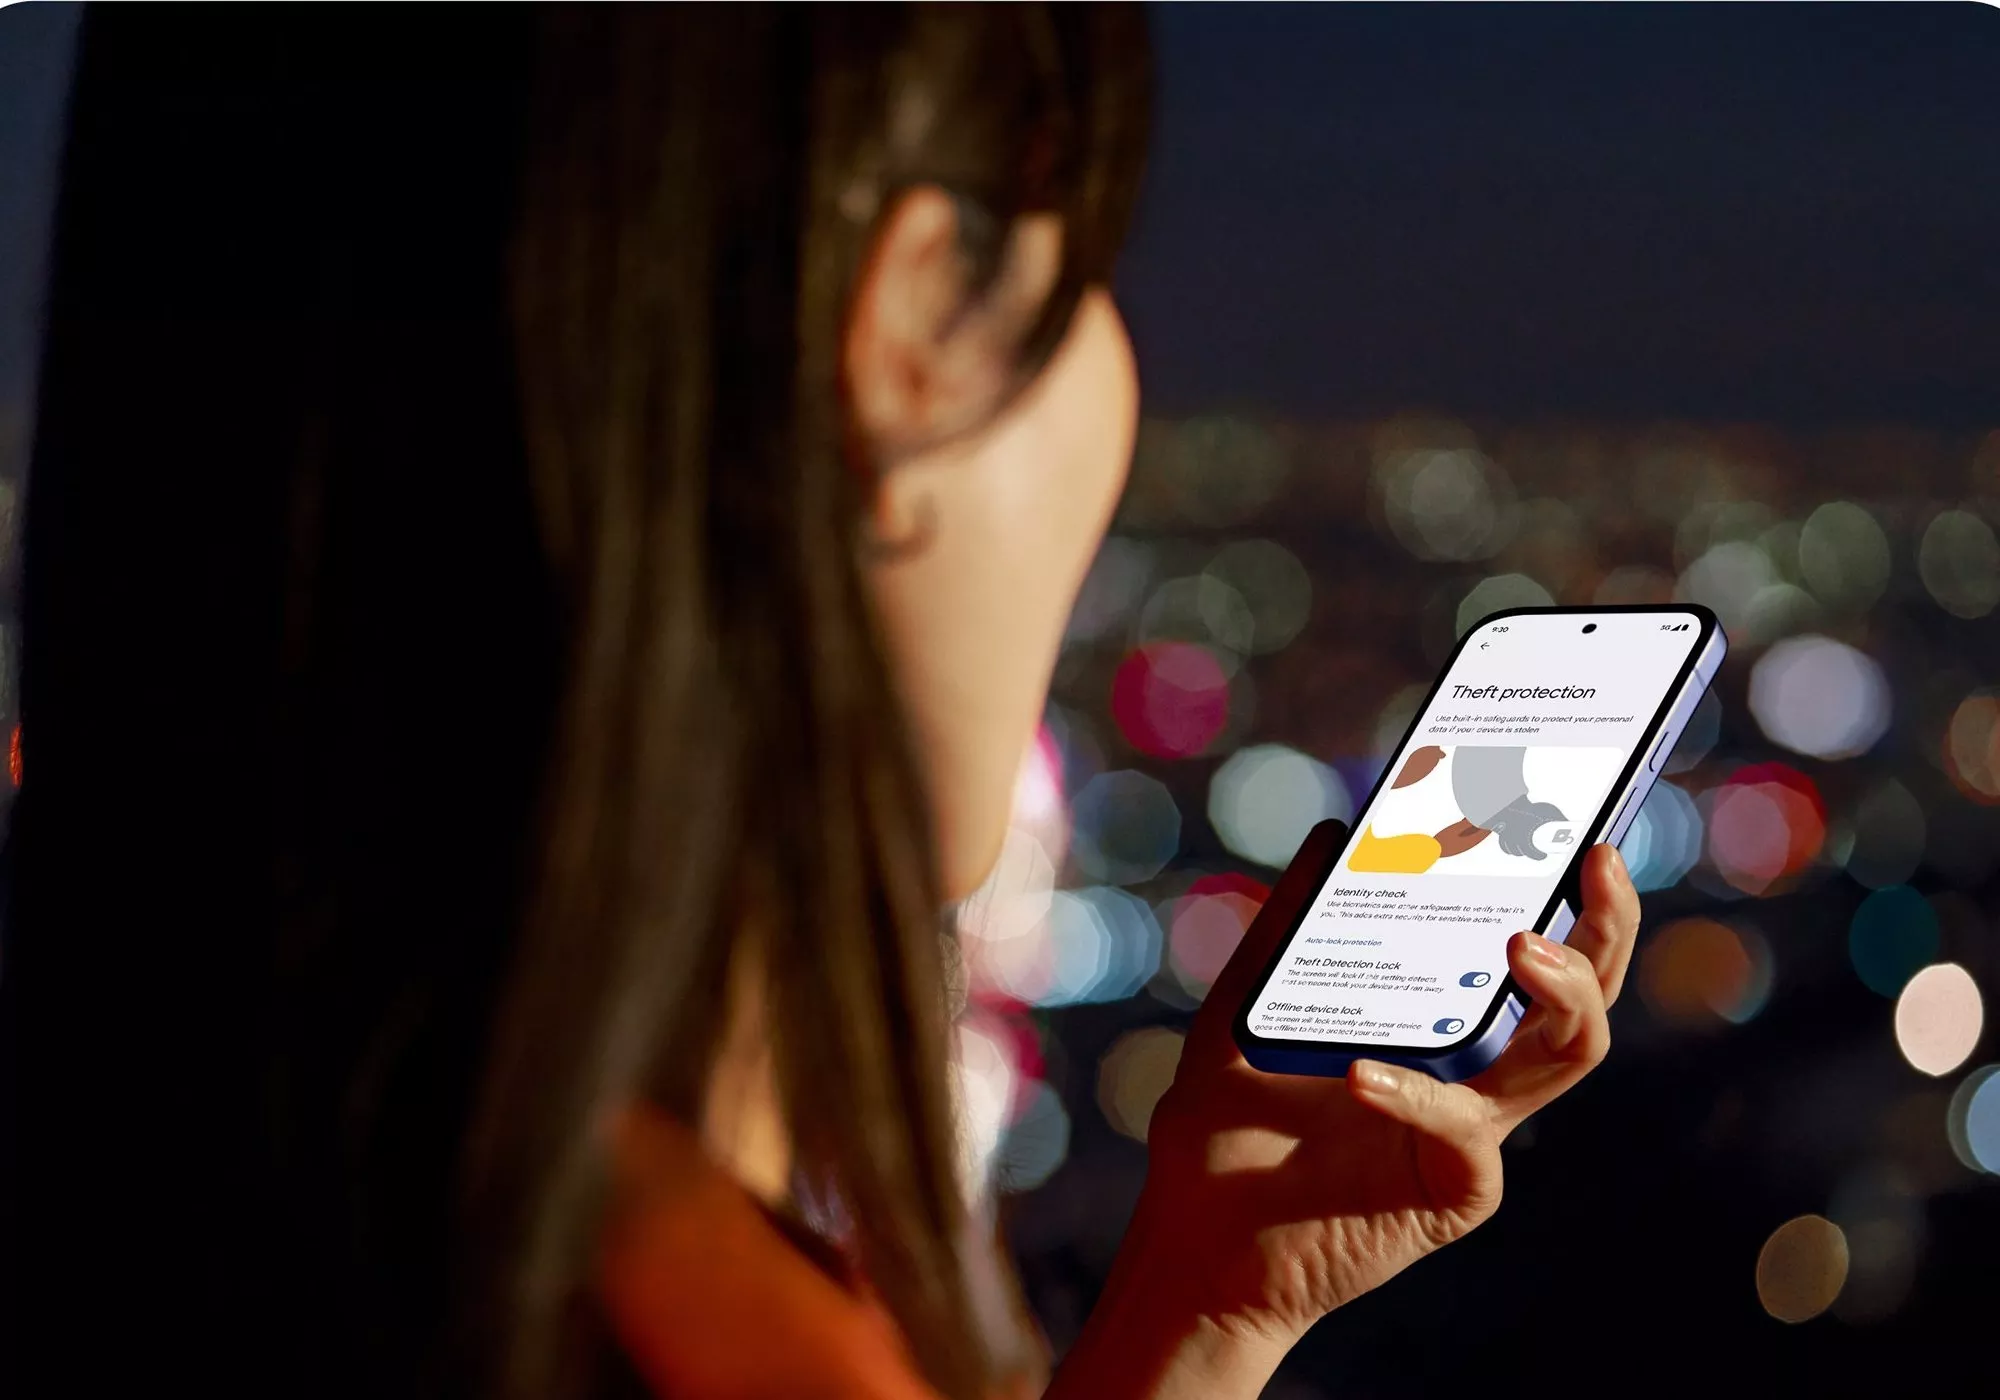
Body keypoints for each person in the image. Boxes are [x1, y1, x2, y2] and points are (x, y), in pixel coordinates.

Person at [1, 7, 1640, 1399]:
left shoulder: (200, 1188)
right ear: (904, 331)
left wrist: (1203, 1309)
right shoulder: (707, 1327)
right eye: (1082, 272)